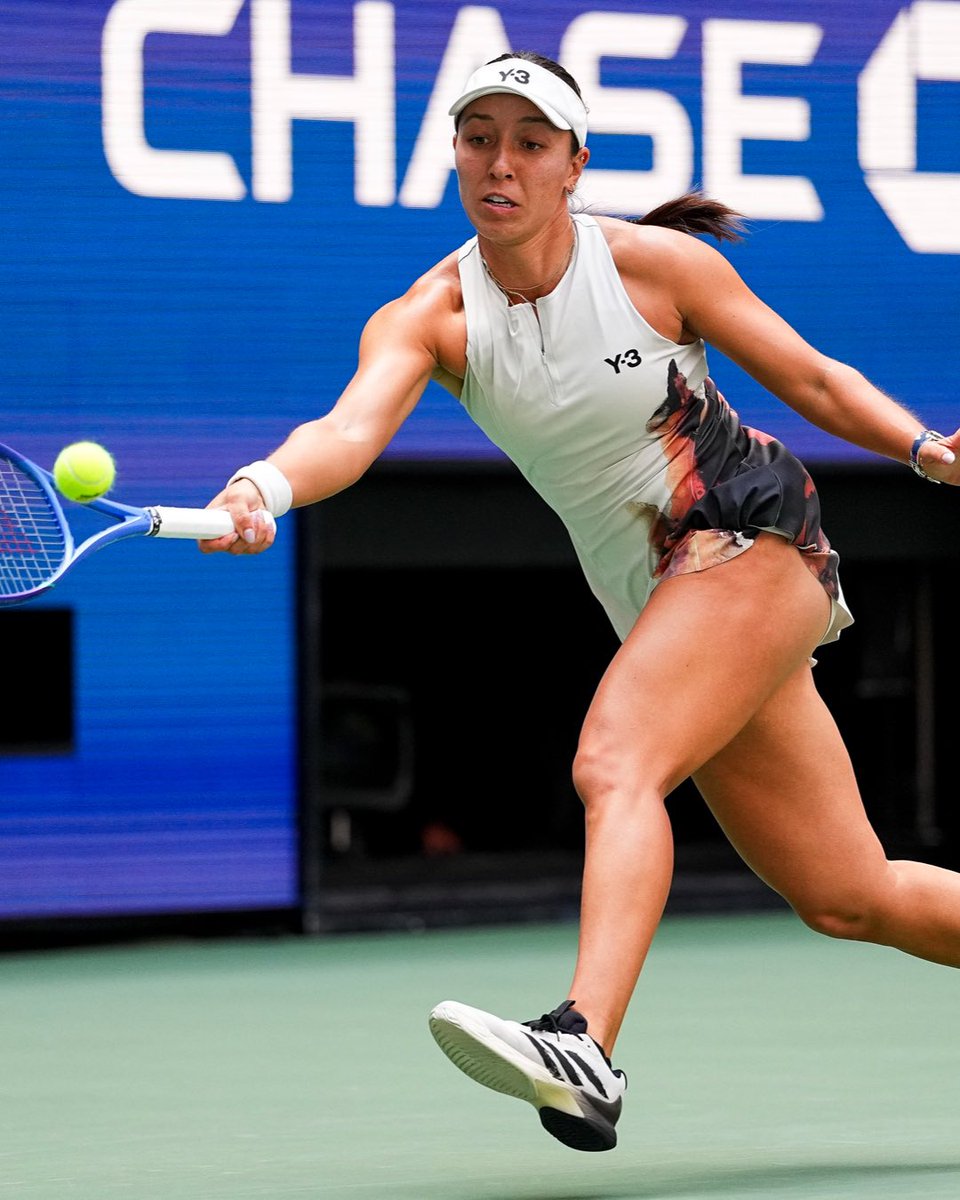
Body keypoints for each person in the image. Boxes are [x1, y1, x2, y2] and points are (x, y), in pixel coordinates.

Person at [203, 52, 960, 1154]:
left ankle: (585, 1044)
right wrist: (257, 489)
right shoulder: (432, 317)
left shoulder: (656, 267)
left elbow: (810, 377)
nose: (498, 163)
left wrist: (924, 449)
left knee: (616, 761)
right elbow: (344, 433)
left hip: (755, 538)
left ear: (573, 165)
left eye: (528, 142)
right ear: (456, 155)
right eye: (478, 139)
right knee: (850, 895)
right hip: (662, 593)